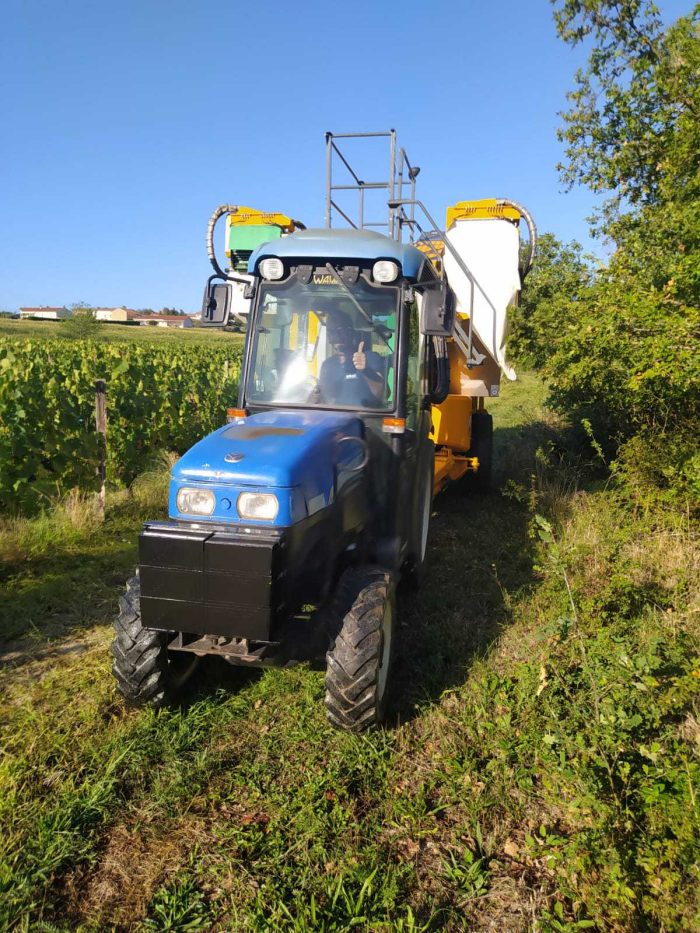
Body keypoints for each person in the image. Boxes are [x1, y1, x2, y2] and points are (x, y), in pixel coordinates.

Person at [319, 310, 387, 406]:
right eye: (331, 331)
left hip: (367, 419)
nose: (336, 336)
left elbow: (382, 393)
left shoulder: (371, 358)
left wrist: (365, 370)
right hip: (335, 418)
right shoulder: (328, 365)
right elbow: (325, 400)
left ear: (350, 331)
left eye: (340, 330)